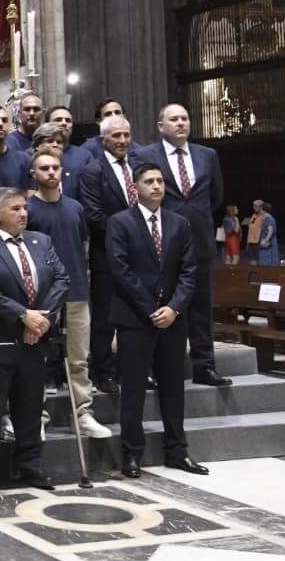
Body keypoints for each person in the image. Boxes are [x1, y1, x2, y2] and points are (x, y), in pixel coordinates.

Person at [0, 188, 69, 490]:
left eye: (24, 208)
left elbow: (61, 280)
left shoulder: (41, 241)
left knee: (31, 407)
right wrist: (23, 315)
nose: (23, 213)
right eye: (15, 209)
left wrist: (42, 319)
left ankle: (29, 465)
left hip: (36, 339)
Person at [108, 163, 207, 478]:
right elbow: (121, 271)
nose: (156, 186)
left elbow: (189, 270)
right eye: (149, 181)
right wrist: (152, 308)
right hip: (135, 318)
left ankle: (177, 451)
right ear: (135, 187)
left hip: (173, 319)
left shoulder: (179, 223)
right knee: (134, 389)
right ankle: (131, 453)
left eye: (160, 181)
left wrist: (174, 308)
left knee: (173, 387)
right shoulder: (120, 222)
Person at [133, 103, 229, 386]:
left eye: (184, 118)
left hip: (200, 241)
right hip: (161, 241)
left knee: (201, 307)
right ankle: (154, 367)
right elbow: (142, 195)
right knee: (160, 305)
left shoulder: (207, 155)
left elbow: (216, 196)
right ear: (160, 126)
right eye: (173, 119)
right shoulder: (145, 154)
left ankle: (204, 366)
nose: (180, 123)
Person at [27, 149, 110, 438]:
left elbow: (83, 246)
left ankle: (83, 413)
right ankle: (35, 416)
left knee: (79, 358)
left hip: (76, 292)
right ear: (33, 174)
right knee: (37, 358)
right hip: (41, 297)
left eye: (55, 167)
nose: (51, 172)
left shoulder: (75, 207)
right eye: (44, 168)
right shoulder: (28, 209)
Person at [78, 114, 137, 396]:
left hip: (142, 257)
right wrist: (131, 236)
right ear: (103, 140)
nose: (123, 140)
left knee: (138, 316)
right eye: (116, 136)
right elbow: (94, 216)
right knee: (105, 318)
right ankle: (103, 372)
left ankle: (134, 370)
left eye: (126, 135)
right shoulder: (93, 171)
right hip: (108, 255)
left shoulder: (139, 166)